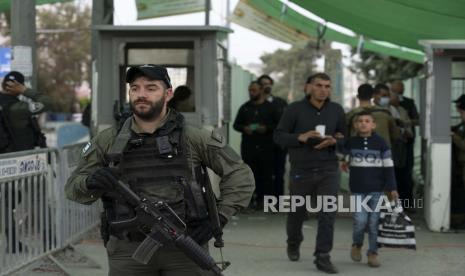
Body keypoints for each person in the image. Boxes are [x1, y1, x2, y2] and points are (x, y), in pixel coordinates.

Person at [65, 64, 255, 275]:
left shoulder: (193, 137)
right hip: (129, 250)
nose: (141, 94)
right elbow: (73, 187)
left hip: (185, 248)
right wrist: (91, 181)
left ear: (168, 94)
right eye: (135, 88)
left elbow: (240, 175)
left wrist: (218, 217)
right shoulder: (108, 140)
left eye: (151, 88)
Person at [274, 73, 345, 274]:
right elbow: (278, 136)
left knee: (328, 213)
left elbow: (345, 137)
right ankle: (294, 242)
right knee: (297, 212)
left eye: (328, 86)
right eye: (319, 85)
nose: (324, 89)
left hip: (329, 168)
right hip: (301, 169)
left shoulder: (336, 110)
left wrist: (335, 141)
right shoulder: (294, 109)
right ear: (308, 87)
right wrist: (301, 137)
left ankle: (322, 256)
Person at [340, 110, 398, 268]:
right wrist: (341, 153)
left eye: (367, 121)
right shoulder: (351, 142)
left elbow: (388, 166)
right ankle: (357, 244)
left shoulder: (381, 143)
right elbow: (342, 156)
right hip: (358, 189)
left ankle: (373, 253)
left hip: (377, 189)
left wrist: (392, 187)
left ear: (373, 125)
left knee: (373, 223)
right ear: (355, 125)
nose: (363, 123)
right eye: (360, 121)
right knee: (360, 221)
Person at [233, 81, 280, 209]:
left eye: (254, 90)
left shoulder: (271, 108)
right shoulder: (245, 108)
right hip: (249, 147)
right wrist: (244, 128)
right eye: (250, 90)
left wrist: (266, 128)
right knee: (250, 175)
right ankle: (249, 202)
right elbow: (236, 125)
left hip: (267, 147)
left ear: (260, 90)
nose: (251, 93)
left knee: (267, 175)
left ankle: (265, 202)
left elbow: (279, 125)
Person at [0, 71, 49, 153]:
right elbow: (47, 103)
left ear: (2, 84)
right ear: (19, 86)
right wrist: (24, 90)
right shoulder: (18, 107)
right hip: (19, 158)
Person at [257, 74, 288, 197]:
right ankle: (264, 200)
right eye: (263, 84)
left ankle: (278, 201)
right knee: (264, 174)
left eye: (268, 83)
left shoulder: (280, 103)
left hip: (279, 144)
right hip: (262, 145)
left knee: (279, 173)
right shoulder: (254, 104)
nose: (267, 86)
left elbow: (286, 123)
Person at [390, 80, 419, 207]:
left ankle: (407, 204)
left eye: (400, 92)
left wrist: (405, 123)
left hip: (406, 144)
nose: (397, 94)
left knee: (406, 174)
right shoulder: (385, 105)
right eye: (395, 91)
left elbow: (417, 120)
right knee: (393, 174)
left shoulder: (408, 103)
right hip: (392, 145)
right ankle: (394, 204)